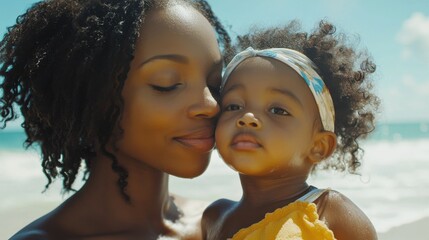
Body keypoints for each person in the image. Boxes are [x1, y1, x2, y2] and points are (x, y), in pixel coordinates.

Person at [0, 0, 232, 239]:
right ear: (92, 96)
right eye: (167, 83)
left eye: (215, 83)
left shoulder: (227, 224)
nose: (211, 105)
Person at [202, 20, 380, 240]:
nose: (247, 118)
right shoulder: (215, 217)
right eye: (234, 106)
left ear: (318, 146)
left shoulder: (328, 213)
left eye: (277, 110)